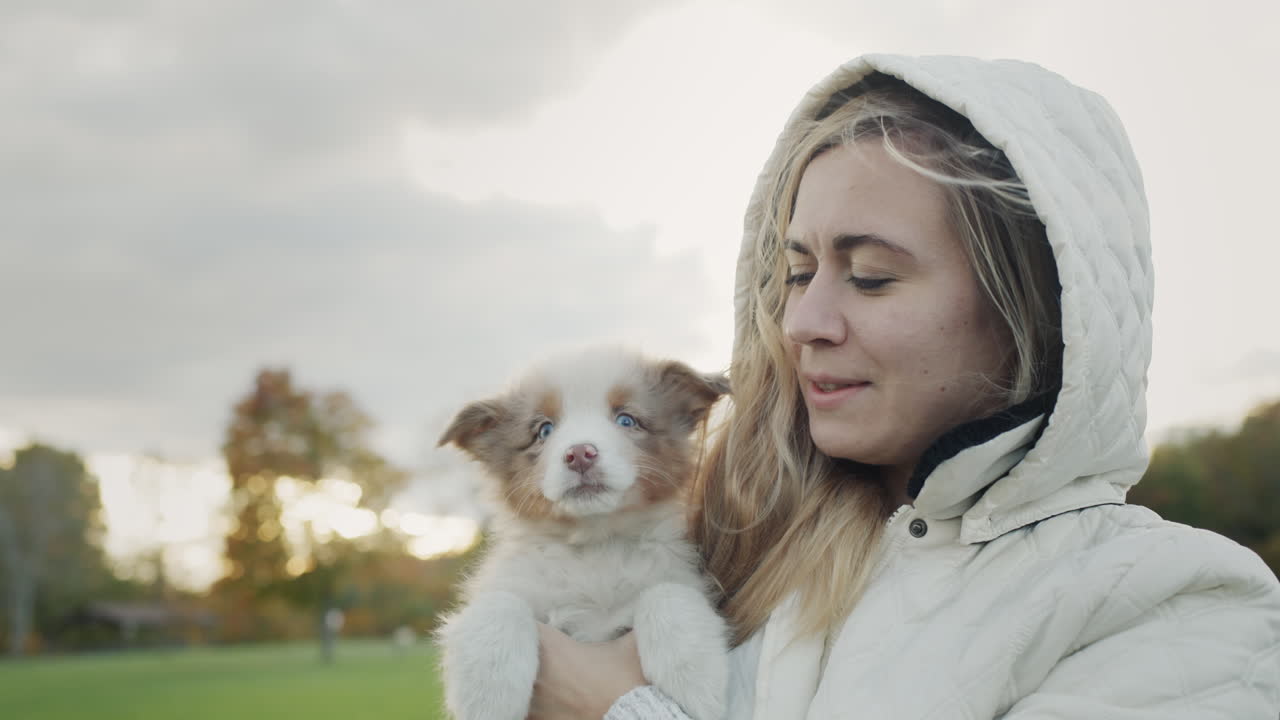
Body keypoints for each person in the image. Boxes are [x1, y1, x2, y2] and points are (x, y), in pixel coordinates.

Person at [526, 54, 1280, 720]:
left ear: (1030, 310)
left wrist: (620, 710)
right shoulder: (727, 543)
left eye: (871, 277)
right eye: (796, 274)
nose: (804, 321)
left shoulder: (1176, 602)